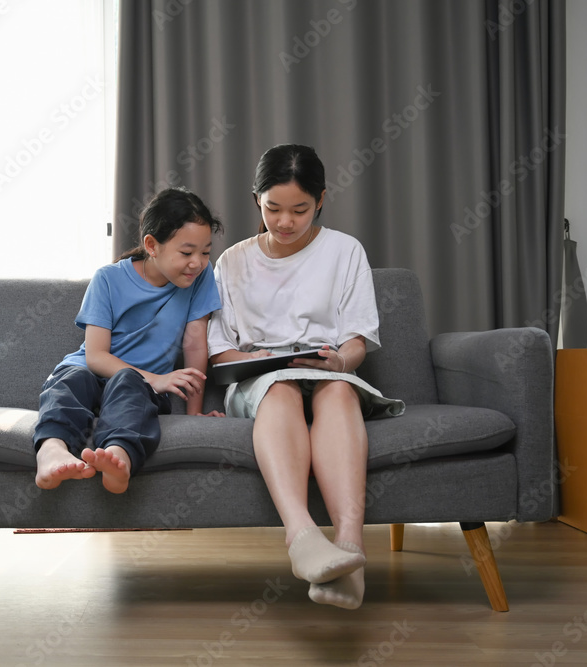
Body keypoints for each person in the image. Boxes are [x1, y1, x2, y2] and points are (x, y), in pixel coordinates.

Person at [207, 144, 404, 609]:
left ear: (320, 199)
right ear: (256, 199)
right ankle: (303, 540)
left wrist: (340, 361)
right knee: (279, 390)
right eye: (273, 208)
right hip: (261, 382)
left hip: (327, 372)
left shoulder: (344, 251)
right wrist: (265, 362)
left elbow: (357, 340)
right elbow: (219, 350)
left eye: (299, 210)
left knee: (337, 392)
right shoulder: (231, 263)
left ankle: (351, 550)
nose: (285, 222)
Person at [33, 187, 225, 494]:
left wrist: (195, 413)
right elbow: (95, 356)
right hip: (93, 372)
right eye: (187, 253)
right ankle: (52, 450)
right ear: (152, 245)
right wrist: (157, 379)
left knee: (128, 384)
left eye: (205, 252)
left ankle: (118, 457)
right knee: (71, 378)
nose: (197, 263)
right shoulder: (108, 279)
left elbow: (194, 344)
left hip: (137, 387)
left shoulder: (200, 278)